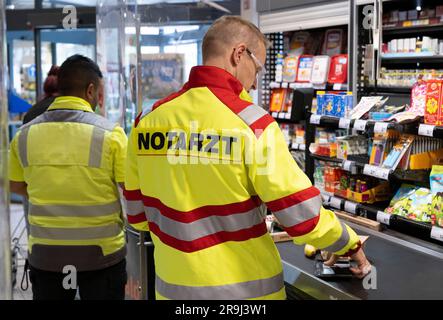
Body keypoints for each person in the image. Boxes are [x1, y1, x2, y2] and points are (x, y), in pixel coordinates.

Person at [124, 16, 371, 300]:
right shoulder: (253, 125)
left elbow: (138, 217)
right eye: (257, 68)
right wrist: (350, 244)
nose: (255, 84)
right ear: (238, 54)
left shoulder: (147, 121)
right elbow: (304, 218)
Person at [9, 54, 128, 300]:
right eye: (99, 93)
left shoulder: (24, 135)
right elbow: (129, 187)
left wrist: (49, 191)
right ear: (90, 90)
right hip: (101, 256)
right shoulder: (110, 135)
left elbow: (14, 184)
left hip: (46, 256)